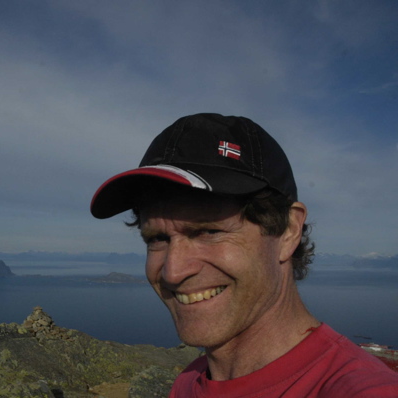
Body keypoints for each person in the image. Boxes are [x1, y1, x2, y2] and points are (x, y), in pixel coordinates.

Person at [90, 113, 398, 397]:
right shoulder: (189, 382)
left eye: (208, 231)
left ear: (288, 231)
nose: (173, 271)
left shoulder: (357, 390)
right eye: (157, 238)